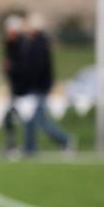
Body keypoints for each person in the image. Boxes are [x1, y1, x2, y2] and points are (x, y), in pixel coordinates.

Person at [23, 14, 73, 155]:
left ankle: (65, 140)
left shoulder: (39, 44)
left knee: (39, 119)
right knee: (31, 119)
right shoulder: (37, 42)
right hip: (37, 87)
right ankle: (30, 147)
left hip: (38, 88)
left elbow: (38, 68)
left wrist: (30, 83)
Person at [0, 14, 28, 156]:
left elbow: (23, 67)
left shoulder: (21, 45)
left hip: (22, 89)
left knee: (14, 118)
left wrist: (9, 67)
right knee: (11, 118)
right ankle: (14, 145)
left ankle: (23, 146)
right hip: (15, 88)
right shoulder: (11, 44)